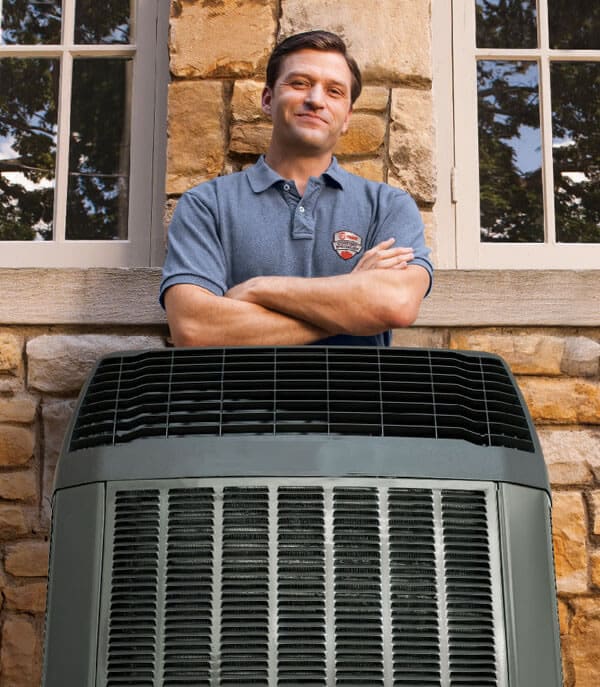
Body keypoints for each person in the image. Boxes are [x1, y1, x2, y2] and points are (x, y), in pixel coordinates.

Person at [160, 30, 433, 347]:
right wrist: (353, 305)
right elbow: (195, 330)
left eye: (334, 91)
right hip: (241, 397)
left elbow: (396, 304)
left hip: (356, 397)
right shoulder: (207, 204)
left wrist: (259, 289)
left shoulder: (387, 206)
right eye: (300, 83)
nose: (316, 100)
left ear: (347, 117)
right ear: (267, 99)